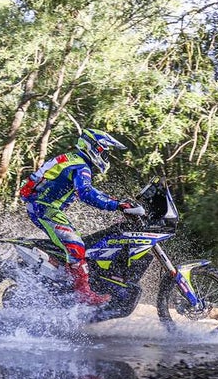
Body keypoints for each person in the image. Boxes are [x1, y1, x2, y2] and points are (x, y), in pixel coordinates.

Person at [18, 128, 143, 306]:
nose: (105, 157)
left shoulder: (75, 159)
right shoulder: (81, 166)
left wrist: (115, 202)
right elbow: (85, 193)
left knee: (80, 244)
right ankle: (83, 294)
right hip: (45, 208)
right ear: (93, 147)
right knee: (76, 246)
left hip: (42, 206)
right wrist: (116, 205)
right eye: (104, 152)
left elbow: (89, 190)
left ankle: (68, 281)